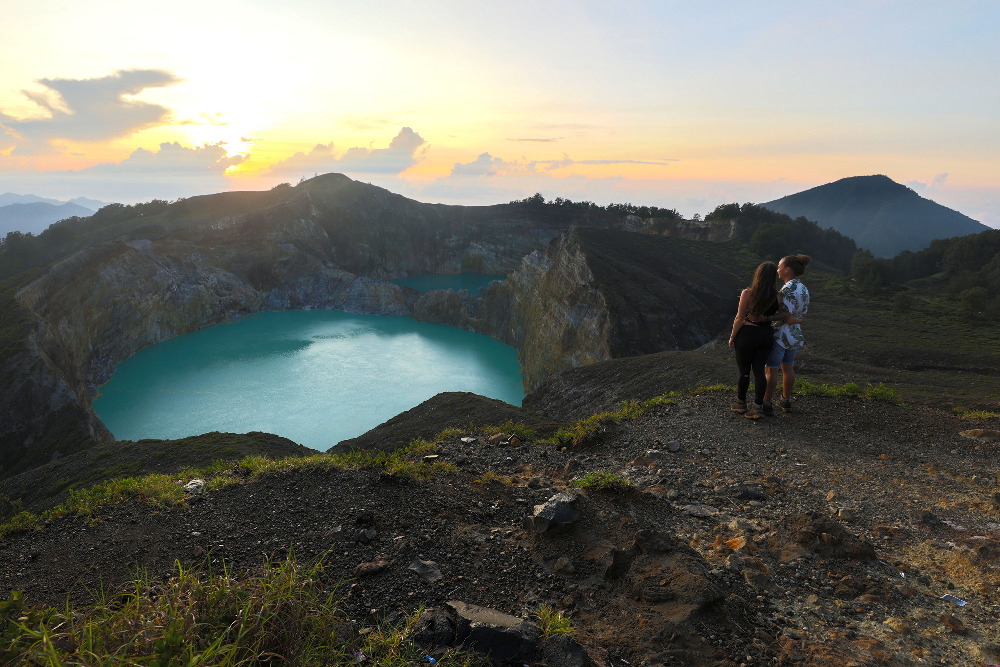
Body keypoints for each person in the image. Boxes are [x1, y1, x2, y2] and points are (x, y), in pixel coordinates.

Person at [728, 262, 790, 419]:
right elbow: (783, 316)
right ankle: (757, 407)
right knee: (759, 371)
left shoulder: (748, 294)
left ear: (758, 275)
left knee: (744, 371)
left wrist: (732, 336)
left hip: (748, 334)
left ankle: (740, 404)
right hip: (766, 335)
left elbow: (739, 318)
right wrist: (767, 318)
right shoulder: (778, 296)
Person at [764, 254, 811, 413]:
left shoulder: (787, 289)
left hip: (780, 335)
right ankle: (785, 400)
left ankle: (766, 402)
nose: (777, 270)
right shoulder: (804, 289)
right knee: (788, 369)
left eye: (779, 266)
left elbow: (786, 317)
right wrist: (798, 322)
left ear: (787, 269)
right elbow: (801, 317)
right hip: (795, 336)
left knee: (772, 369)